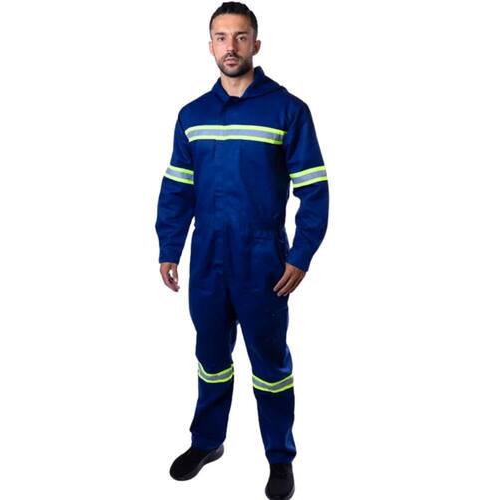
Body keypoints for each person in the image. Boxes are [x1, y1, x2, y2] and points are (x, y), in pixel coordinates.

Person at [155, 2, 329, 498]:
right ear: (210, 45)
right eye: (221, 37)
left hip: (262, 259)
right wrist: (170, 247)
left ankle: (280, 458)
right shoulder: (192, 115)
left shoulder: (287, 110)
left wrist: (300, 255)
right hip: (207, 256)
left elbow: (314, 190)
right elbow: (177, 188)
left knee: (270, 365)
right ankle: (208, 441)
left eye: (240, 36)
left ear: (256, 43)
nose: (230, 47)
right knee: (210, 355)